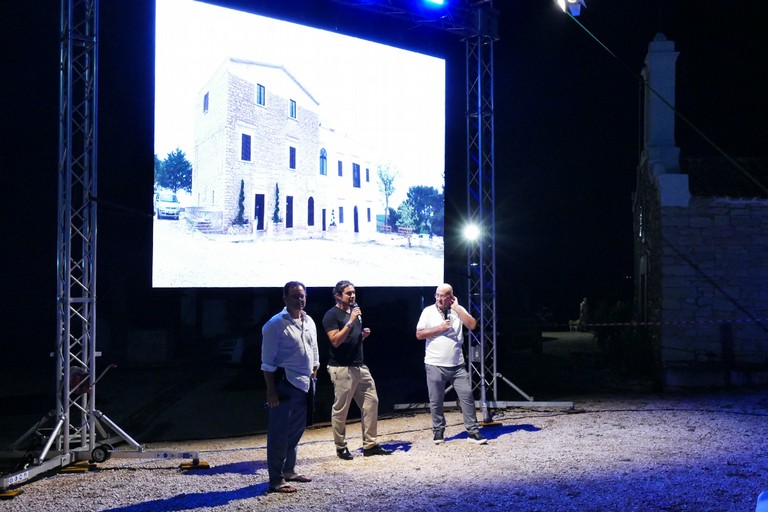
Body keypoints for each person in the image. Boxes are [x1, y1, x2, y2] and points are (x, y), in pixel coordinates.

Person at [261, 281, 320, 493]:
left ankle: (289, 470)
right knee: (279, 433)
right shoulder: (275, 325)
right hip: (285, 384)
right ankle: (275, 479)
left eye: (302, 295)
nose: (299, 299)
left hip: (306, 384)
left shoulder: (309, 320)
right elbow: (267, 362)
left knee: (296, 431)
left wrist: (315, 370)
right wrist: (271, 391)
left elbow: (314, 348)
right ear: (285, 299)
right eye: (294, 296)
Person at [323, 280, 391, 459]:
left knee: (371, 402)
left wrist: (361, 336)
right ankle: (340, 446)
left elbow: (349, 339)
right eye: (348, 293)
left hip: (360, 365)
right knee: (341, 409)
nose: (352, 296)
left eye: (353, 292)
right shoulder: (331, 315)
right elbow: (336, 341)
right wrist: (350, 322)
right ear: (338, 296)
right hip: (342, 368)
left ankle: (370, 445)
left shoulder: (356, 312)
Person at [416, 283, 488, 445]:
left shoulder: (457, 310)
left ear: (451, 296)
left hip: (457, 364)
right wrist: (440, 328)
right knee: (436, 400)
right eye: (437, 295)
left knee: (467, 396)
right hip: (435, 363)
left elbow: (472, 325)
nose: (440, 299)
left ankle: (473, 432)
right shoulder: (428, 311)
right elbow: (419, 334)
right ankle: (438, 431)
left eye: (443, 296)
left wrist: (457, 309)